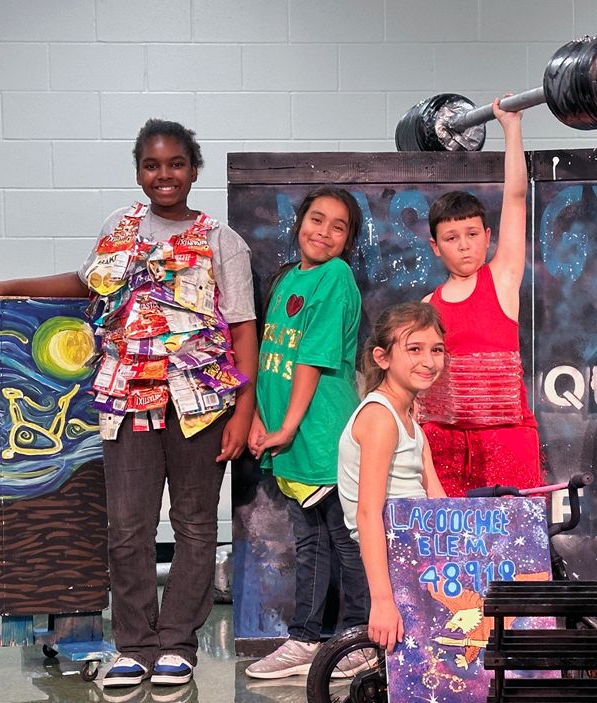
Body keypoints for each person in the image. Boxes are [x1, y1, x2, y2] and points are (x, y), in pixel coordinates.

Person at [0, 119, 257, 689]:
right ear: (138, 171)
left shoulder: (222, 241)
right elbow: (87, 283)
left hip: (200, 406)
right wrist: (7, 285)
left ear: (194, 170)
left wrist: (243, 412)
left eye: (176, 164)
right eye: (152, 165)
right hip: (127, 399)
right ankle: (134, 645)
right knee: (128, 525)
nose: (164, 175)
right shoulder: (121, 226)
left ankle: (177, 644)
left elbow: (242, 328)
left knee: (194, 524)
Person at [244, 186, 370, 679]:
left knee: (346, 541)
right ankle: (306, 638)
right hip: (293, 439)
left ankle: (361, 639)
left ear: (348, 240)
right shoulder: (287, 280)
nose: (324, 232)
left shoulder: (335, 277)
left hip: (322, 435)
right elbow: (271, 359)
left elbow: (312, 360)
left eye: (339, 227)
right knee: (311, 541)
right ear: (299, 223)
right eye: (317, 219)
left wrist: (289, 426)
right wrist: (260, 417)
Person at [418, 98, 540, 497]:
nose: (464, 245)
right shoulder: (427, 307)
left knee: (512, 535)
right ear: (436, 247)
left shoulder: (501, 279)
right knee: (448, 535)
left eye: (472, 235)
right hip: (445, 445)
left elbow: (516, 198)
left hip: (506, 440)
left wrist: (511, 127)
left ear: (487, 237)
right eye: (452, 238)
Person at [337, 302, 448, 654]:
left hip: (417, 550)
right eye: (414, 349)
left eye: (436, 350)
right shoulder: (380, 418)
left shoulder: (409, 421)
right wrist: (383, 601)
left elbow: (438, 502)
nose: (428, 361)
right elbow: (367, 513)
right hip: (395, 558)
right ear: (382, 357)